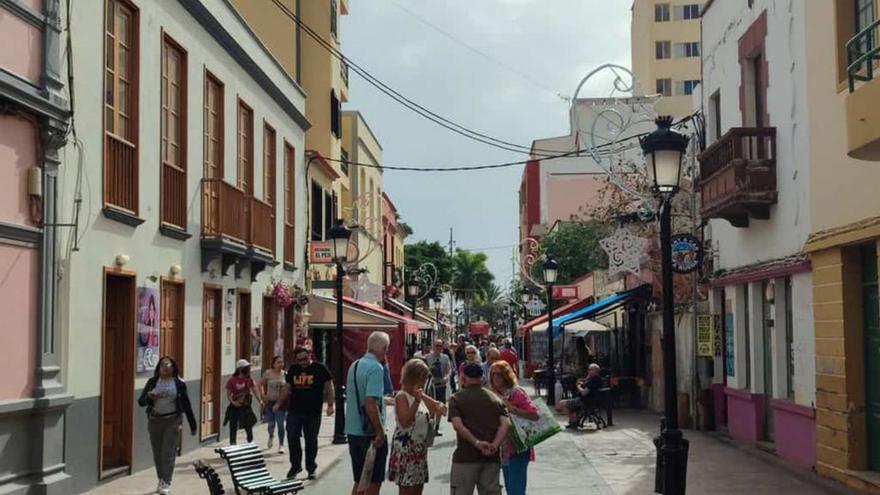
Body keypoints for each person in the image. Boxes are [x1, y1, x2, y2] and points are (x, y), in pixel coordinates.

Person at [448, 362, 510, 495]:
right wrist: (494, 445)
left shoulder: (456, 399)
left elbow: (457, 425)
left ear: (463, 377)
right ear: (482, 377)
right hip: (491, 458)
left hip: (465, 457)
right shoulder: (496, 399)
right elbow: (505, 424)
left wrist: (476, 443)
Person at [138, 356, 197, 495]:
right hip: (155, 420)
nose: (165, 368)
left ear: (173, 368)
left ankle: (166, 482)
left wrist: (192, 424)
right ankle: (161, 479)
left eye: (167, 365)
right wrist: (149, 397)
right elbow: (141, 402)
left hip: (173, 420)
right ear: (158, 368)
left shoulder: (179, 383)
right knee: (157, 453)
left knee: (168, 452)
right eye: (162, 365)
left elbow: (186, 404)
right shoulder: (152, 382)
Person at [388, 359, 447, 495]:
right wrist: (416, 401)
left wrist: (439, 406)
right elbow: (405, 421)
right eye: (423, 378)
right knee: (407, 488)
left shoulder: (419, 393)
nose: (424, 382)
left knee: (418, 487)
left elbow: (437, 406)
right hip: (406, 447)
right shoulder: (402, 396)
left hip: (419, 447)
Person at [275, 347, 334, 479]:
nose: (302, 362)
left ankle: (311, 467)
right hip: (295, 411)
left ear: (310, 356)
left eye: (305, 359)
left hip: (313, 412)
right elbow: (287, 387)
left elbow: (329, 386)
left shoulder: (320, 368)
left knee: (311, 440)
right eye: (299, 360)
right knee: (292, 438)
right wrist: (279, 403)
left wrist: (330, 405)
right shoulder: (293, 369)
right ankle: (295, 466)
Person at [345, 331, 391, 495]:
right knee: (373, 482)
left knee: (360, 481)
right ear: (384, 348)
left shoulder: (355, 365)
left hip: (352, 430)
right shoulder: (376, 368)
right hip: (369, 433)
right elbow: (370, 403)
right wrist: (379, 431)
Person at [488, 361, 539, 495]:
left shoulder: (517, 393)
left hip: (519, 447)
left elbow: (535, 415)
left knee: (516, 491)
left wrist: (513, 409)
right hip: (503, 450)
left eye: (499, 374)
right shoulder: (492, 395)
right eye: (493, 374)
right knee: (511, 489)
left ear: (506, 375)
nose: (495, 378)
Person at [225, 359, 263, 444]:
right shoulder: (232, 380)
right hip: (235, 405)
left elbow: (255, 390)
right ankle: (233, 443)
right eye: (247, 367)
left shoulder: (249, 379)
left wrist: (260, 400)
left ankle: (250, 441)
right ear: (240, 369)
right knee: (233, 424)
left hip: (246, 405)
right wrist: (234, 402)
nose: (249, 369)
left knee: (248, 424)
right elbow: (228, 394)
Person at [424, 339, 452, 436]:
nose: (438, 348)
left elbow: (449, 369)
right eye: (436, 346)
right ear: (433, 346)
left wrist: (446, 377)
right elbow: (423, 370)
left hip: (441, 386)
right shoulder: (427, 358)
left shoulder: (445, 358)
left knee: (439, 407)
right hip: (431, 386)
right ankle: (430, 427)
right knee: (431, 407)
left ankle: (436, 427)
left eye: (440, 346)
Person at [261, 356, 287, 454]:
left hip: (280, 403)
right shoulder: (268, 373)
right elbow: (260, 384)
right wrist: (263, 395)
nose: (281, 364)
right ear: (273, 364)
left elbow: (288, 388)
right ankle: (271, 436)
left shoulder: (285, 374)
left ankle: (281, 445)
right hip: (270, 402)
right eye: (278, 362)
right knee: (271, 424)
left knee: (281, 424)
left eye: (282, 362)